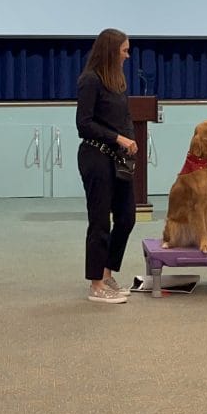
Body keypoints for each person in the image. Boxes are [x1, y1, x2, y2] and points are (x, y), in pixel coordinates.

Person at [76, 28, 138, 304]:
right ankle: (96, 285)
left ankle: (107, 272)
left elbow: (123, 118)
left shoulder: (118, 81)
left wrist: (130, 142)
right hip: (96, 158)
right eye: (124, 50)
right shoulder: (90, 80)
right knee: (100, 221)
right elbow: (84, 124)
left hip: (119, 160)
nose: (127, 54)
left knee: (126, 218)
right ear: (112, 51)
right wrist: (117, 138)